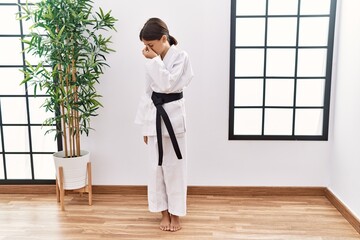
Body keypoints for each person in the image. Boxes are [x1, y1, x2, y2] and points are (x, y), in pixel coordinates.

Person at [135, 17, 194, 232]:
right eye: (144, 46)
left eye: (150, 45)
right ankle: (164, 213)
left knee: (175, 168)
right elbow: (147, 92)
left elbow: (167, 84)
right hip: (154, 117)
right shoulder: (152, 60)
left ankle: (176, 214)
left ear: (163, 38)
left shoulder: (181, 57)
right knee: (156, 168)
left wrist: (153, 61)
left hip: (174, 118)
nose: (147, 50)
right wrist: (144, 125)